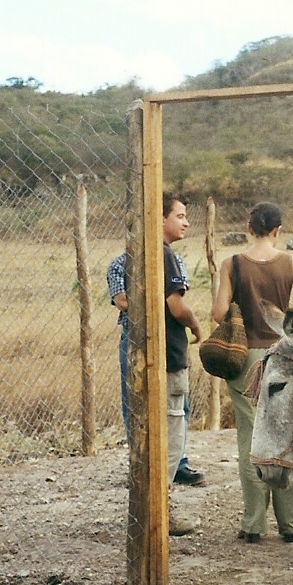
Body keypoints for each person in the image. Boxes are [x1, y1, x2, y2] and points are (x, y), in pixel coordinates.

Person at [211, 201, 293, 544]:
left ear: (249, 228)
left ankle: (253, 524)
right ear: (278, 231)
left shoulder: (231, 264)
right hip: (286, 356)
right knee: (288, 433)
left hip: (245, 358)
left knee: (252, 435)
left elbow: (218, 313)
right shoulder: (290, 263)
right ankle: (292, 525)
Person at [106, 193, 205, 536]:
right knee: (169, 427)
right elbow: (172, 306)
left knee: (145, 422)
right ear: (159, 220)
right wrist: (194, 324)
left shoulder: (138, 260)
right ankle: (159, 510)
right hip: (161, 351)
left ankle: (145, 507)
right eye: (179, 215)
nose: (186, 222)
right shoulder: (163, 259)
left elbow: (127, 301)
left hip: (139, 346)